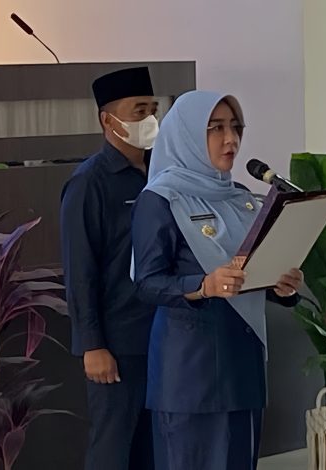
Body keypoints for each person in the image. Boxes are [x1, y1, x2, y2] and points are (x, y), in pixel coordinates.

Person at [130, 90, 304, 470]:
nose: (231, 139)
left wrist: (281, 286)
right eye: (216, 128)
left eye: (236, 127)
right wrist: (203, 286)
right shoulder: (160, 198)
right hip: (191, 374)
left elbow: (249, 273)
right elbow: (147, 282)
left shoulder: (240, 197)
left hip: (243, 363)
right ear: (189, 134)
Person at [60, 67, 158, 470]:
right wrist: (92, 345)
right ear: (108, 120)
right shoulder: (89, 182)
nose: (150, 120)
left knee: (153, 450)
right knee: (113, 450)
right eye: (139, 111)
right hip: (117, 341)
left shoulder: (161, 174)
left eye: (153, 110)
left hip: (161, 335)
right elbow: (80, 268)